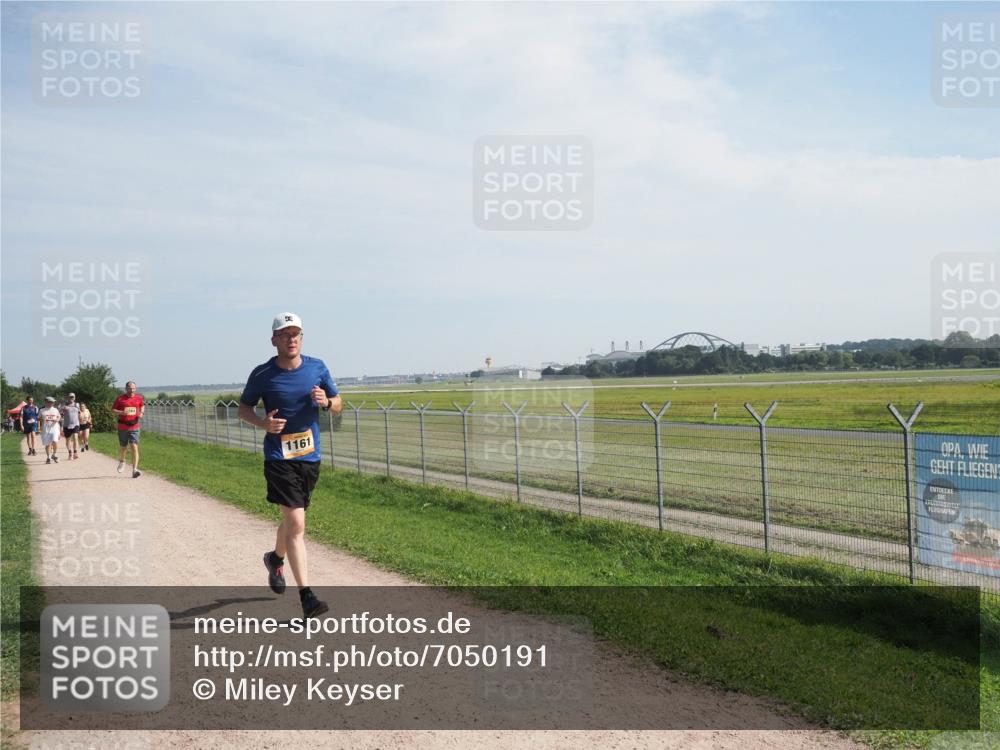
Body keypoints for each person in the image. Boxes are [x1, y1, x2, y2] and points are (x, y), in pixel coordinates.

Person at [238, 312, 342, 620]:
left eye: (296, 334)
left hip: (309, 457)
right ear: (274, 341)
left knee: (293, 518)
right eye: (285, 334)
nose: (291, 338)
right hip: (278, 457)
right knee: (297, 523)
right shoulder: (262, 374)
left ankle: (275, 558)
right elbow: (244, 409)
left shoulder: (317, 367)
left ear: (301, 338)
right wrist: (263, 423)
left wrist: (326, 402)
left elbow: (338, 404)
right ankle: (308, 598)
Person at [112, 381, 145, 478]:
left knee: (134, 446)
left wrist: (142, 413)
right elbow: (113, 409)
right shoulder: (120, 398)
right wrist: (122, 412)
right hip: (123, 426)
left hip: (134, 426)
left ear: (136, 388)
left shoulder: (139, 398)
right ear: (126, 388)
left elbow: (142, 405)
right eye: (130, 388)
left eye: (133, 388)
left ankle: (135, 470)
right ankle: (122, 461)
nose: (132, 390)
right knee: (123, 447)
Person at [39, 397, 62, 464]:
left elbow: (59, 416)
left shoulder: (55, 410)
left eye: (52, 402)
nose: (51, 403)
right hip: (46, 429)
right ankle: (48, 457)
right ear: (46, 402)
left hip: (54, 428)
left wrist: (57, 419)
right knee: (48, 444)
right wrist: (42, 420)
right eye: (50, 402)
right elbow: (38, 418)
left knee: (55, 441)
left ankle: (54, 454)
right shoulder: (42, 410)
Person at [61, 393, 82, 460]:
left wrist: (80, 417)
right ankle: (70, 453)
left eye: (72, 397)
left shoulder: (77, 405)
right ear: (68, 398)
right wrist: (63, 409)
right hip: (67, 425)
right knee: (68, 440)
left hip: (75, 424)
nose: (71, 398)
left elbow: (79, 412)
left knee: (75, 438)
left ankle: (75, 453)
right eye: (70, 397)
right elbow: (60, 413)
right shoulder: (64, 405)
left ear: (74, 398)